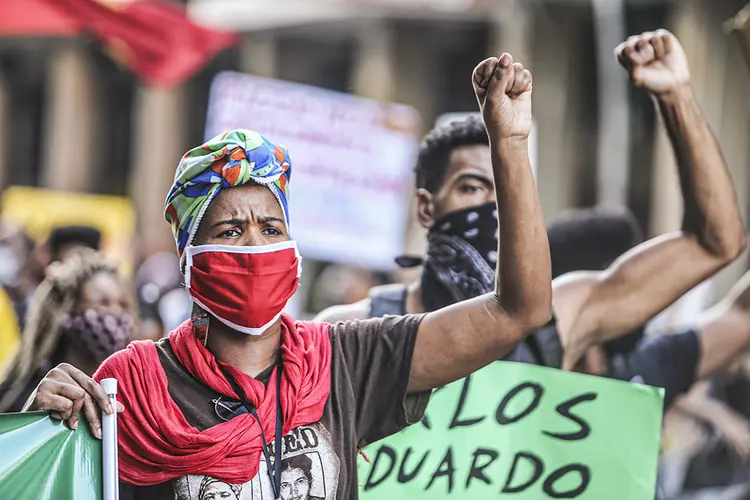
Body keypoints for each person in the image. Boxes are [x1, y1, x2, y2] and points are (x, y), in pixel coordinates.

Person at [21, 53, 552, 500]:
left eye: (271, 227)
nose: (255, 244)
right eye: (230, 230)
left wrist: (509, 144)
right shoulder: (134, 385)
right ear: (189, 257)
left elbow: (518, 310)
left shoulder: (347, 362)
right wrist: (38, 428)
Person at [316, 30, 747, 407]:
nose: (492, 209)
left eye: (504, 192)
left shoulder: (556, 320)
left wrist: (676, 97)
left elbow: (715, 244)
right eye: (471, 188)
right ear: (427, 208)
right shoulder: (352, 334)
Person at [0, 248, 133, 412]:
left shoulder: (134, 392)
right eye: (103, 303)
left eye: (123, 304)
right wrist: (31, 415)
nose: (116, 312)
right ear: (67, 310)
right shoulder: (25, 394)